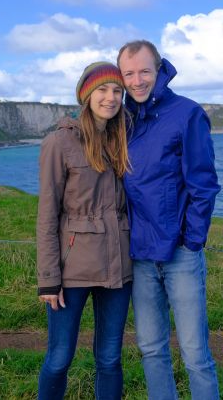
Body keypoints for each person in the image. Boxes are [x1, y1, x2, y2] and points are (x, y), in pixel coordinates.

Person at [117, 40, 221, 400]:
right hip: (141, 255)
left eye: (144, 71)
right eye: (128, 73)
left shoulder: (187, 114)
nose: (137, 80)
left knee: (194, 354)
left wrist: (191, 241)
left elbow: (203, 184)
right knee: (151, 348)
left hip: (179, 254)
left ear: (159, 69)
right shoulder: (123, 120)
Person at [36, 61, 134, 400]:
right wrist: (48, 278)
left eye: (117, 91)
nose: (111, 97)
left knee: (109, 359)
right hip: (71, 272)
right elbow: (47, 215)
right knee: (60, 358)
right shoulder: (59, 143)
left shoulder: (122, 138)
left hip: (118, 269)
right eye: (103, 90)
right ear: (86, 95)